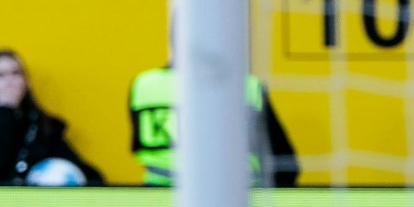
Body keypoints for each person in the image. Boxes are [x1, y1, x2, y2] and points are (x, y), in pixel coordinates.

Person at [128, 64, 301, 187]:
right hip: (239, 202)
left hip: (157, 202)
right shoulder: (247, 86)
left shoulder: (145, 85)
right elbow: (285, 164)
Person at [0, 49, 104, 185]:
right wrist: (3, 112)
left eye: (16, 73)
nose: (9, 81)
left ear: (26, 81)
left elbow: (80, 170)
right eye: (0, 75)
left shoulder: (42, 125)